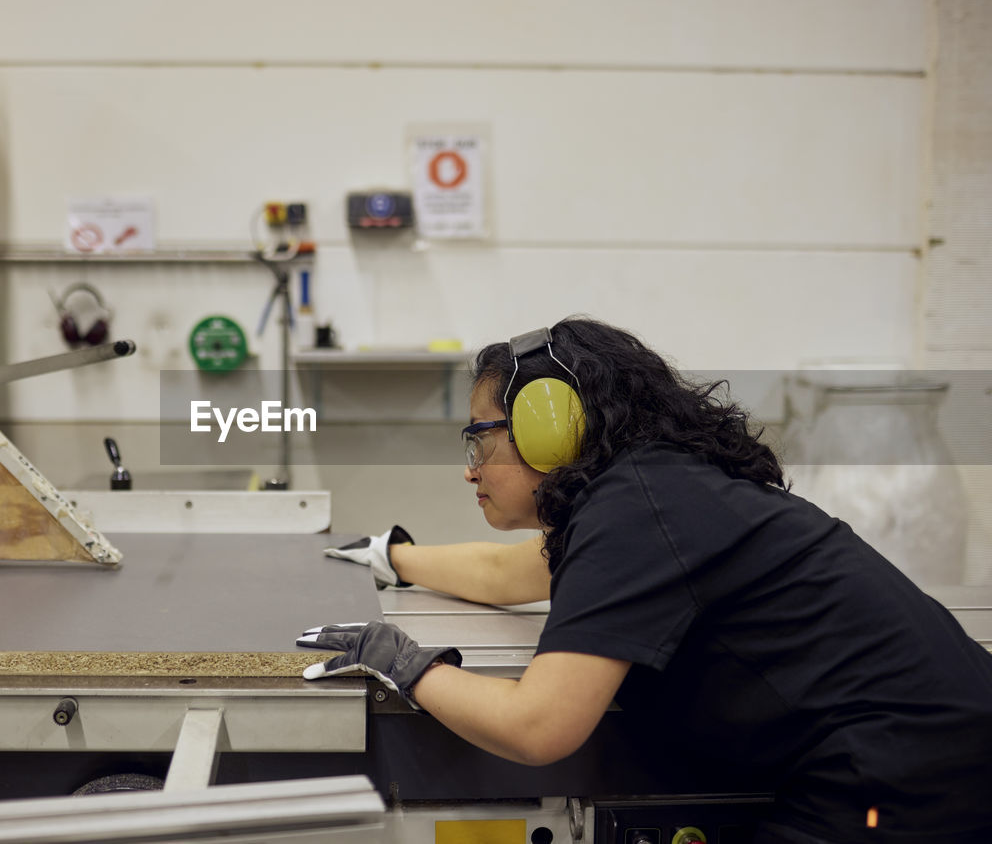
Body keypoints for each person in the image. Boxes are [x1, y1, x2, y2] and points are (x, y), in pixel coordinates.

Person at [298, 316, 992, 844]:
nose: (471, 468)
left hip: (903, 786)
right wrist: (394, 556)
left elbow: (538, 727)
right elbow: (509, 571)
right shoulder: (653, 489)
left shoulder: (635, 509)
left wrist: (404, 665)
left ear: (551, 430)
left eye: (481, 439)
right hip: (932, 755)